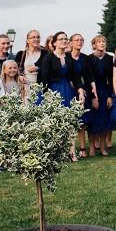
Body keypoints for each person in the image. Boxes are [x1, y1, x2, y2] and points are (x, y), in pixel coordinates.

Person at [39, 31, 86, 161]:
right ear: (54, 43)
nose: (64, 41)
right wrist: (47, 96)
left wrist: (80, 90)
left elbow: (75, 77)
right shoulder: (48, 58)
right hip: (53, 91)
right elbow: (44, 79)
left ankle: (72, 153)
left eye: (66, 39)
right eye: (61, 39)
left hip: (68, 91)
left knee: (71, 122)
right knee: (56, 123)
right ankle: (57, 154)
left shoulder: (69, 58)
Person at [68, 34, 95, 157]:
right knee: (71, 121)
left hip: (84, 91)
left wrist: (94, 89)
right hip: (69, 90)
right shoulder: (66, 57)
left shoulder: (86, 58)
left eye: (81, 40)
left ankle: (84, 148)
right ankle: (70, 149)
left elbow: (90, 75)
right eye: (76, 40)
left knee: (83, 121)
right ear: (71, 43)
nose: (79, 42)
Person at [86, 35, 113, 157]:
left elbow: (111, 79)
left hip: (104, 91)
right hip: (93, 91)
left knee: (104, 121)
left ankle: (102, 148)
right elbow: (88, 78)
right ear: (94, 45)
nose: (102, 43)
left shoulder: (109, 59)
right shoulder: (89, 59)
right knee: (93, 122)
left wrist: (109, 96)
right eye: (99, 42)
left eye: (104, 41)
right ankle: (91, 148)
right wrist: (93, 97)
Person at [15, 29, 50, 97]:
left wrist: (38, 68)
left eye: (38, 37)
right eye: (33, 37)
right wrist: (20, 76)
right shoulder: (21, 54)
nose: (36, 39)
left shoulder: (45, 53)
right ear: (28, 40)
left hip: (40, 88)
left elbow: (50, 68)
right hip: (25, 87)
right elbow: (15, 70)